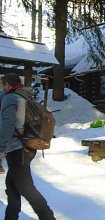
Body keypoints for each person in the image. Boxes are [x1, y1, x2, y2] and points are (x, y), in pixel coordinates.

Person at [0, 73, 55, 219]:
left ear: (8, 85)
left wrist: (1, 147)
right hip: (28, 146)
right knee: (12, 187)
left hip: (18, 149)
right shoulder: (25, 96)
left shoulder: (10, 98)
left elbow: (7, 123)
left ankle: (48, 217)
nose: (2, 88)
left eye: (2, 85)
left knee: (26, 188)